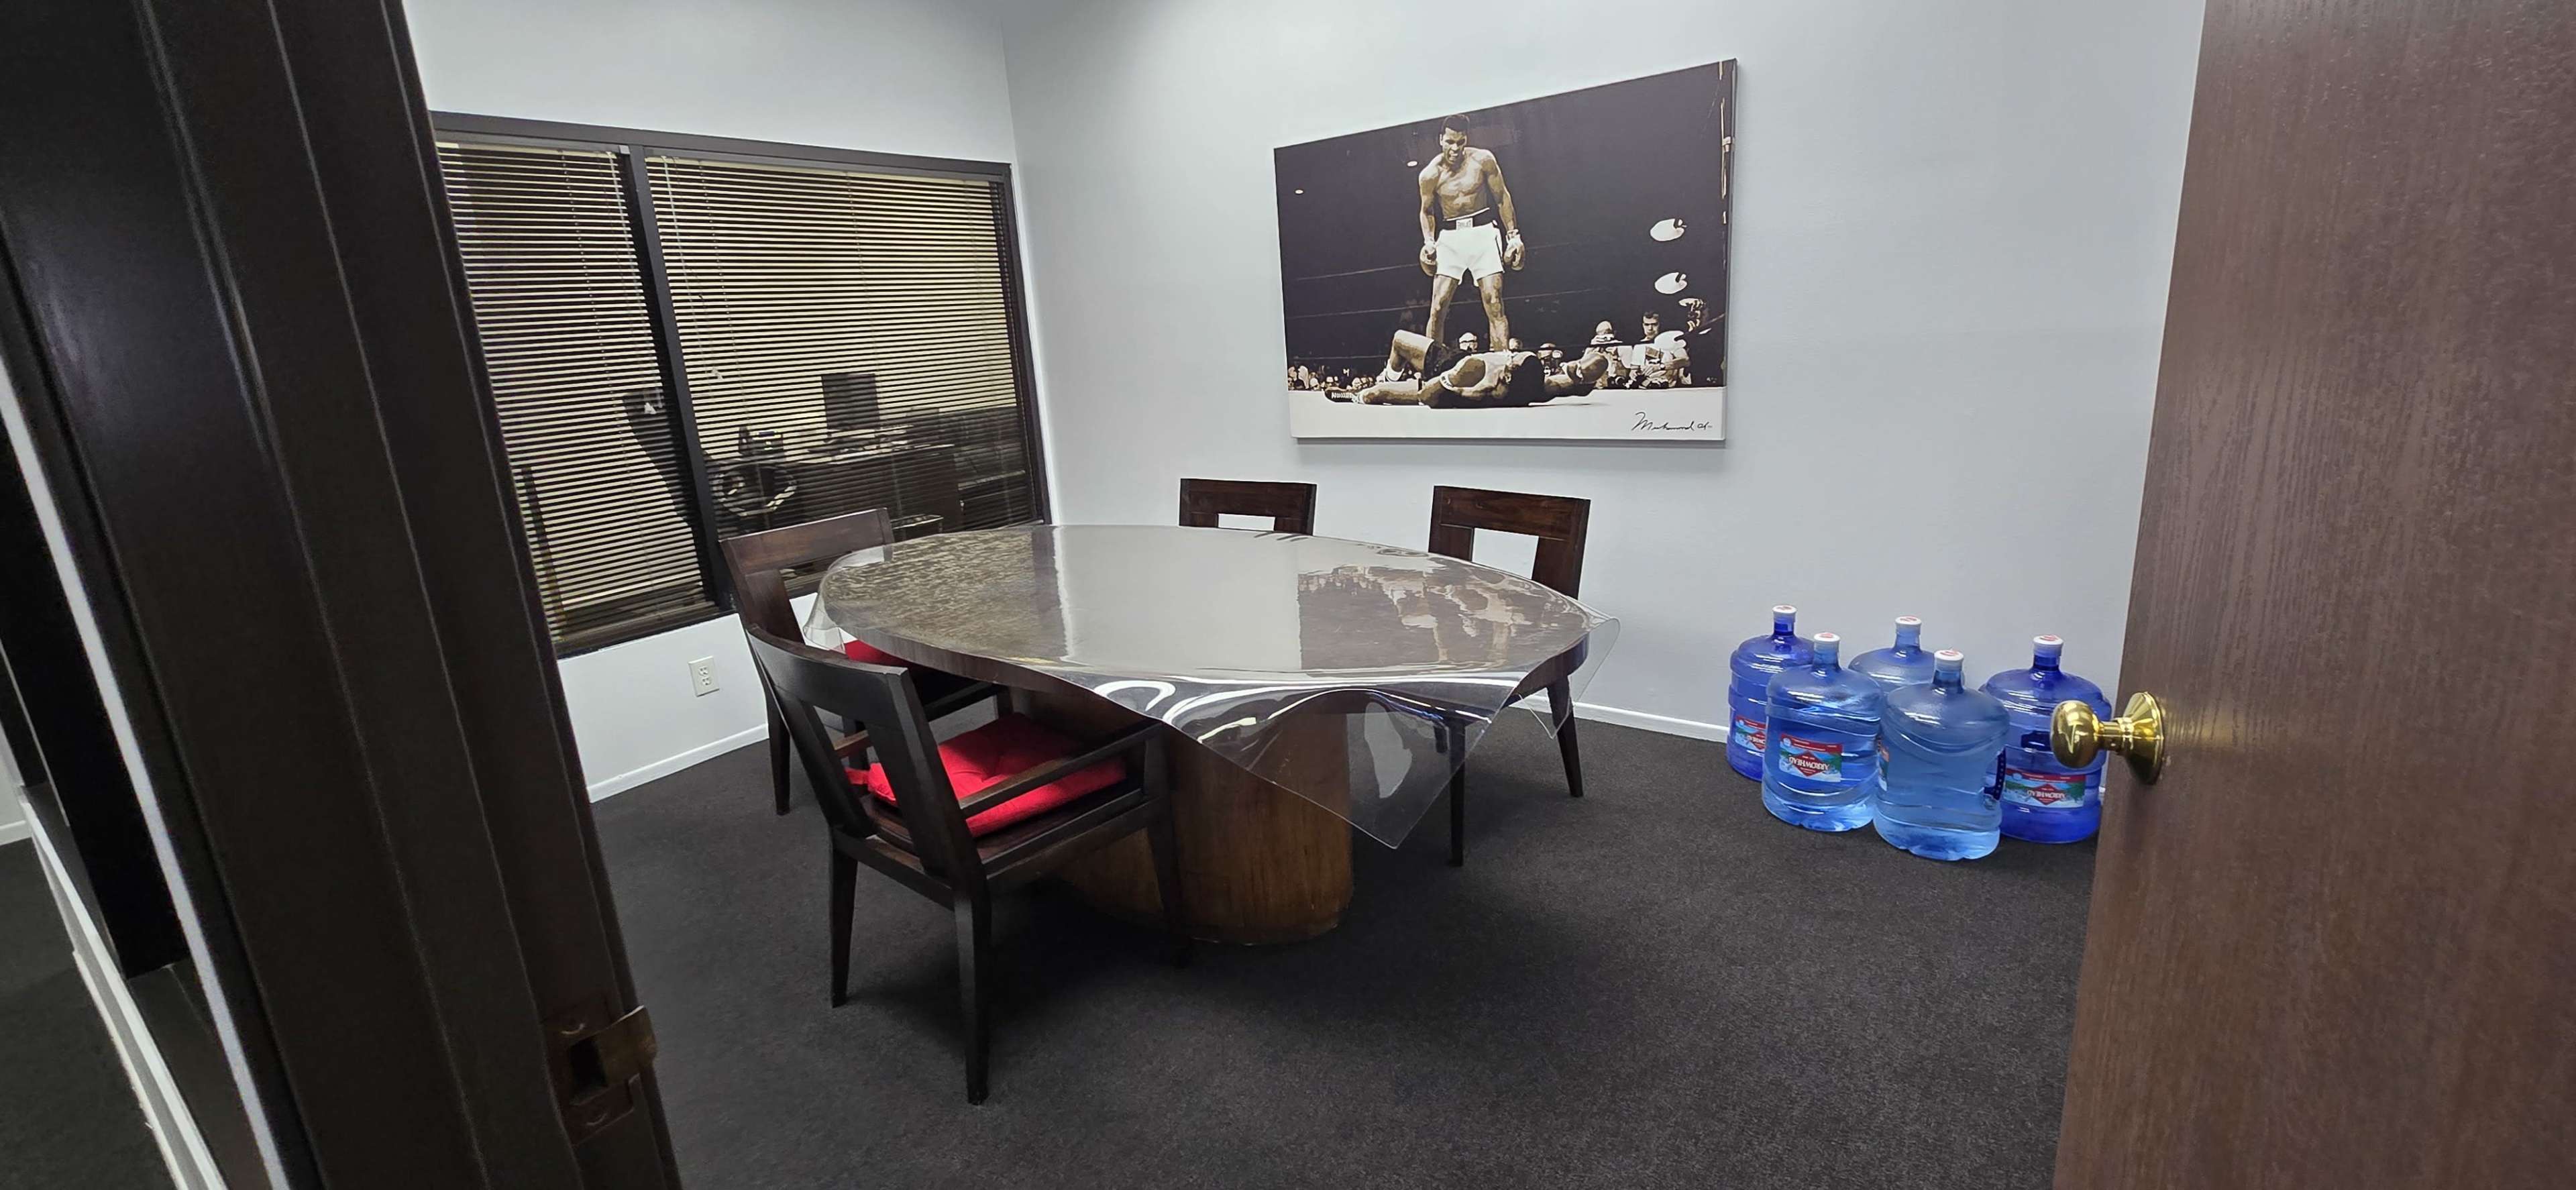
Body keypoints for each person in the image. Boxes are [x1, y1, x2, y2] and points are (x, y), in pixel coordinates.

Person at [1416, 112, 1523, 364]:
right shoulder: (1429, 175)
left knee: (1494, 301)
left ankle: (1502, 367)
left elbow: (1502, 197)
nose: (1455, 148)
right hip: (1451, 237)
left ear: (1466, 140)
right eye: (1450, 142)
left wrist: (1514, 236)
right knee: (1438, 306)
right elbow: (1427, 211)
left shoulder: (1483, 160)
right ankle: (1432, 369)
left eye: (1461, 142)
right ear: (1441, 139)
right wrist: (1428, 241)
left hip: (1483, 231)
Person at [1328, 328, 1609, 408]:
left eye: (1512, 360)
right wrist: (1581, 371)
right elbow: (1571, 387)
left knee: (1378, 393)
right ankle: (1387, 373)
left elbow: (1428, 396)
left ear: (1508, 377)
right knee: (1400, 339)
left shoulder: (1481, 393)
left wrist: (1451, 379)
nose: (1509, 357)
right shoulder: (1539, 387)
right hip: (1451, 359)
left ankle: (1357, 395)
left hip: (1445, 382)